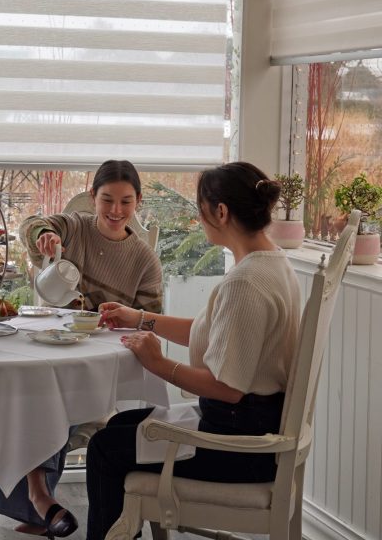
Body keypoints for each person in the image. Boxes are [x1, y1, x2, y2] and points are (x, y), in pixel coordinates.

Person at [86, 162, 301, 540]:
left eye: (201, 209)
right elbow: (211, 332)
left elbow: (227, 388)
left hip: (238, 445)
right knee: (119, 426)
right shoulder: (272, 263)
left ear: (221, 212)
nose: (198, 218)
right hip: (247, 425)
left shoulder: (246, 283)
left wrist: (158, 363)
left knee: (104, 449)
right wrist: (138, 318)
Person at [0, 160, 163, 538]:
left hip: (98, 366)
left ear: (138, 202)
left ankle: (38, 501)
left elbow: (152, 320)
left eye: (126, 202)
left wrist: (125, 318)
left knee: (39, 398)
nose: (116, 211)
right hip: (51, 349)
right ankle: (40, 500)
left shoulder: (143, 259)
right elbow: (29, 224)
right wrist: (45, 237)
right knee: (30, 390)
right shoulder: (75, 227)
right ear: (92, 198)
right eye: (107, 200)